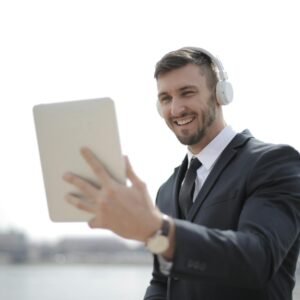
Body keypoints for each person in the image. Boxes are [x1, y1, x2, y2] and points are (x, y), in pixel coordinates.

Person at [63, 47, 300, 300]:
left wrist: (158, 228)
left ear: (221, 94)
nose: (176, 109)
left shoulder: (273, 163)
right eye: (165, 98)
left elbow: (257, 259)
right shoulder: (166, 191)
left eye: (187, 93)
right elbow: (162, 279)